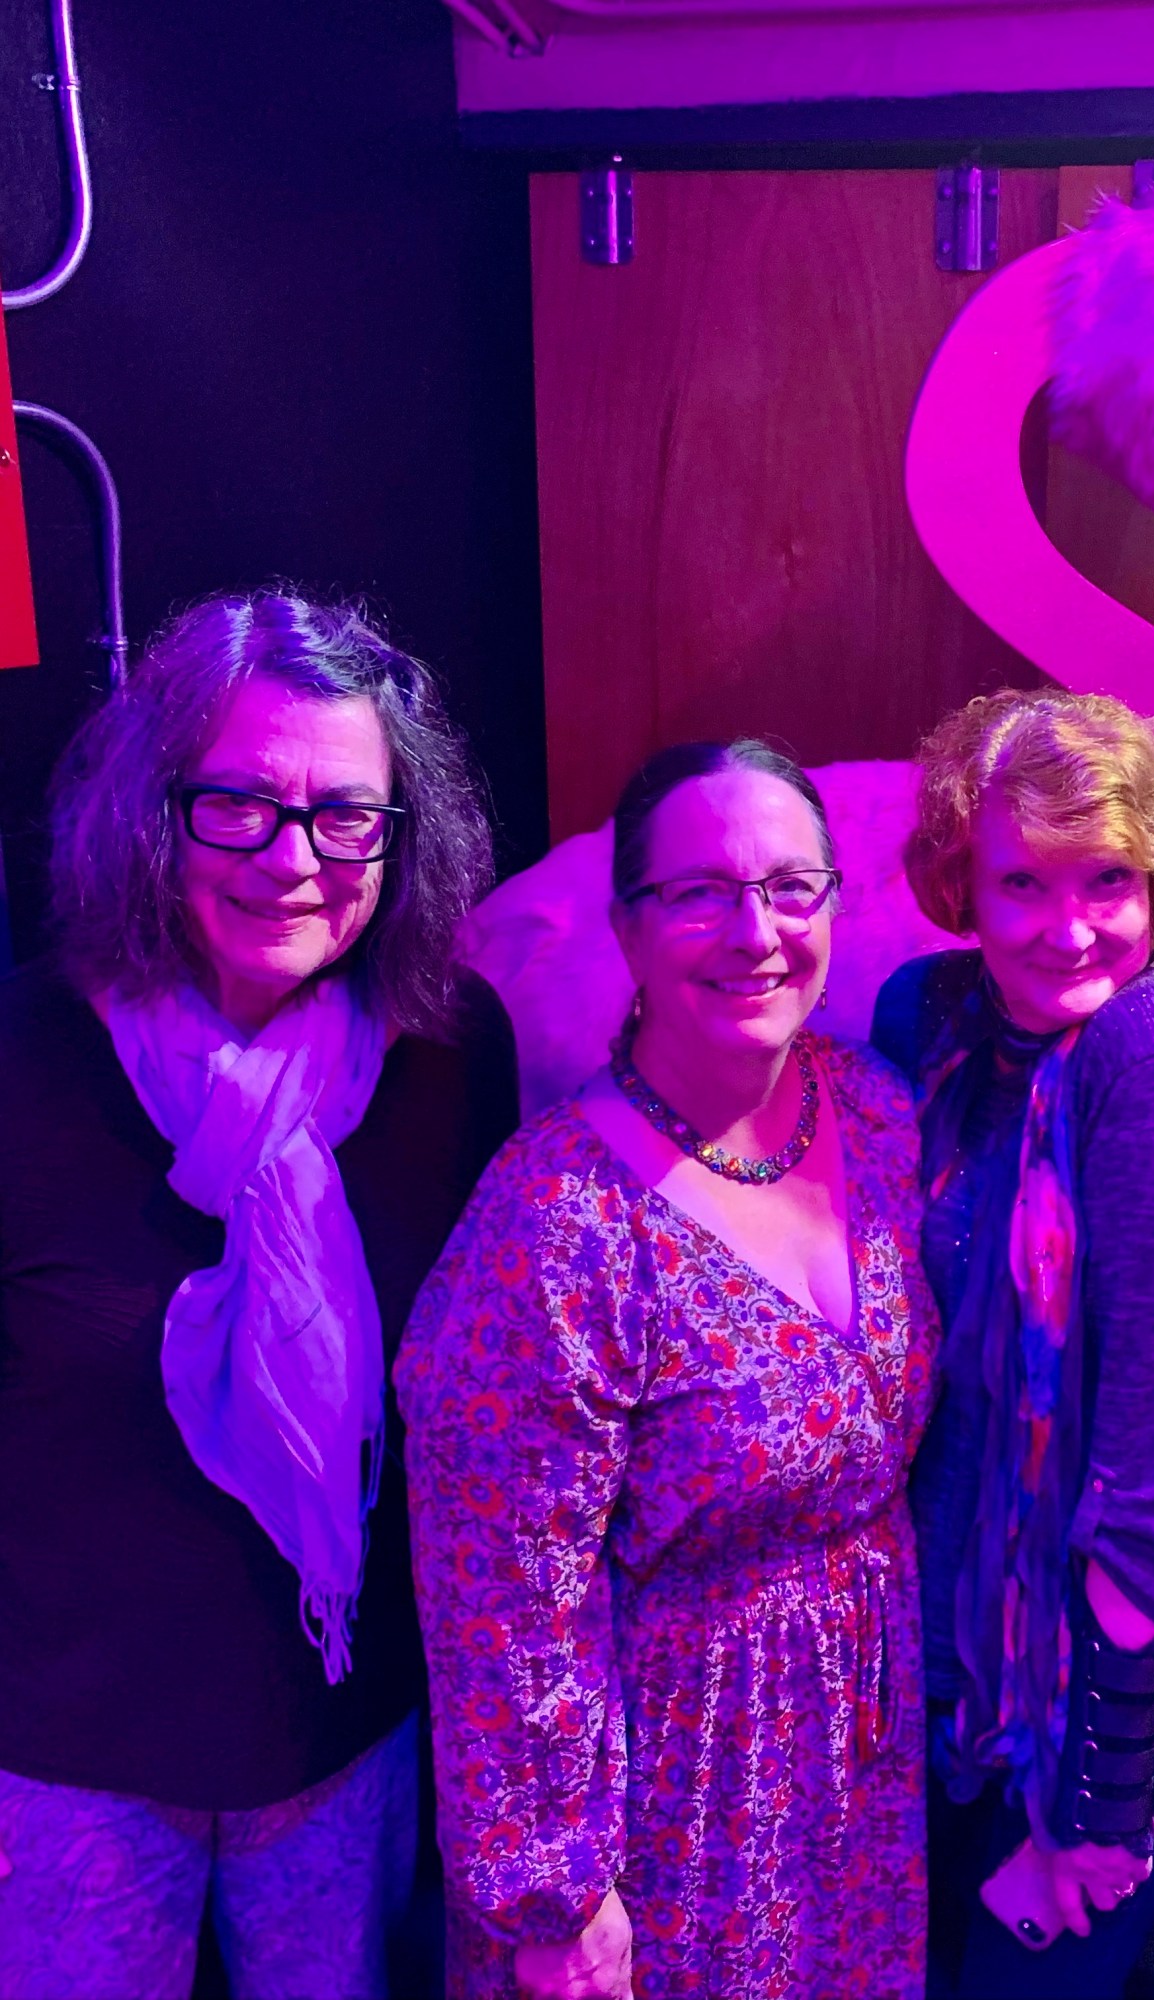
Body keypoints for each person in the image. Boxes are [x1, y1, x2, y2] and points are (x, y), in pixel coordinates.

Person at [0, 592, 517, 2000]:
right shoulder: (21, 1059)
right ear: (148, 811)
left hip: (343, 1739)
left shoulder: (449, 1054)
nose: (293, 861)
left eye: (346, 816)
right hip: (64, 1767)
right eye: (236, 804)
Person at [397, 739, 939, 2000]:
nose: (755, 932)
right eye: (700, 892)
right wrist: (556, 1894)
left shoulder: (872, 1108)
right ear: (627, 928)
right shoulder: (554, 1222)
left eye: (790, 887)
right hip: (671, 1796)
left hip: (858, 1762)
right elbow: (498, 1599)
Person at [870, 688, 1154, 2000]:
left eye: (1106, 878)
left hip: (1113, 1682)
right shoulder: (933, 1022)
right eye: (1023, 882)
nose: (1069, 927)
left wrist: (1096, 1797)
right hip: (957, 1629)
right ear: (961, 885)